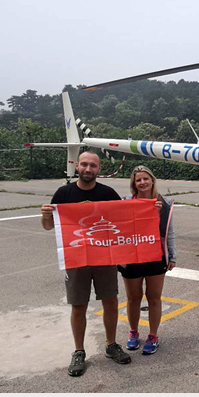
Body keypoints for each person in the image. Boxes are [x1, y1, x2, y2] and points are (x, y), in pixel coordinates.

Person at [41, 151, 131, 377]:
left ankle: (111, 345)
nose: (88, 169)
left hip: (104, 257)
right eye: (84, 165)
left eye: (93, 165)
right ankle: (79, 351)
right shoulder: (64, 193)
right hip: (76, 258)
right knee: (78, 305)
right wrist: (45, 215)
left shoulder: (108, 193)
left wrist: (150, 210)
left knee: (110, 302)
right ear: (76, 166)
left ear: (99, 169)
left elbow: (125, 220)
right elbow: (48, 226)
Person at [119, 166, 176, 355]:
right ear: (134, 184)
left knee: (154, 298)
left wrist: (172, 255)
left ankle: (153, 335)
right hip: (132, 256)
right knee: (133, 298)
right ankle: (133, 332)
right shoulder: (126, 202)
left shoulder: (165, 203)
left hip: (155, 256)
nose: (142, 182)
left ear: (152, 180)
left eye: (145, 179)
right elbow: (120, 227)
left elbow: (169, 232)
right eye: (138, 180)